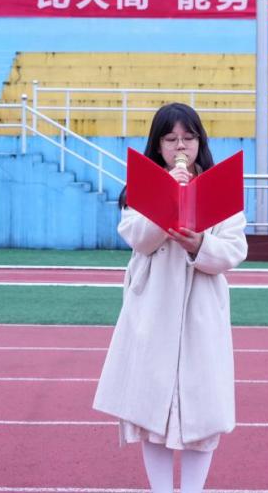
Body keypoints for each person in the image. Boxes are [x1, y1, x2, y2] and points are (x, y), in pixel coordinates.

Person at [93, 102, 248, 493]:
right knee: (151, 411)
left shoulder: (220, 187)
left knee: (203, 413)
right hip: (153, 308)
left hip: (201, 310)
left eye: (188, 138)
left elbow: (234, 250)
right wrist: (167, 200)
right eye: (171, 139)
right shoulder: (140, 188)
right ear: (157, 145)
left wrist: (200, 245)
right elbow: (138, 239)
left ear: (200, 142)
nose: (180, 146)